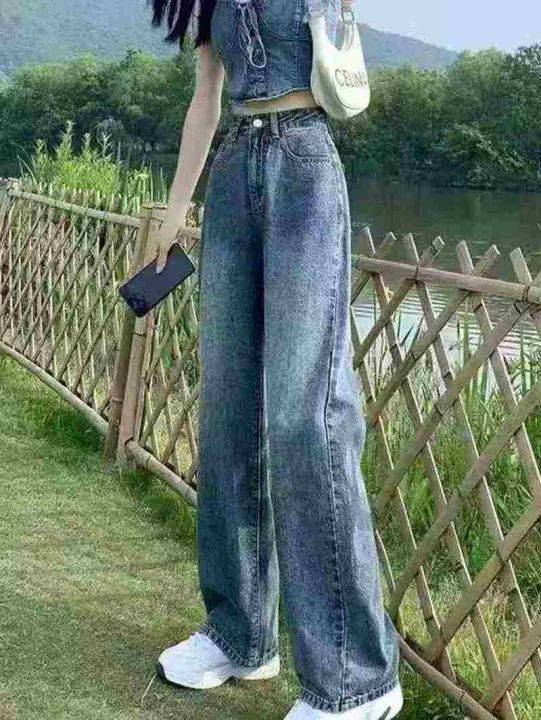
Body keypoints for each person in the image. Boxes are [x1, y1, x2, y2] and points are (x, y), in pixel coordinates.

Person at [148, 1, 402, 717]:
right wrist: (174, 212)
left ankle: (357, 680)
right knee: (228, 414)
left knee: (305, 419)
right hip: (232, 174)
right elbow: (206, 96)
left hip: (305, 168)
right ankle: (241, 634)